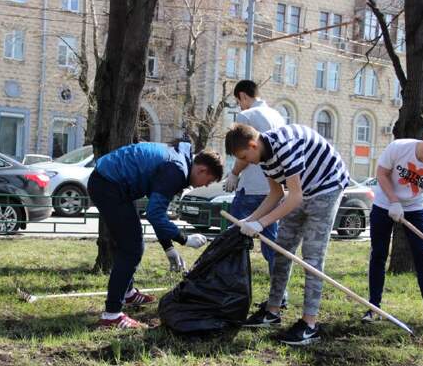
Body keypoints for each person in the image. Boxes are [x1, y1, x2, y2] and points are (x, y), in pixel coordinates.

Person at [225, 123, 349, 345]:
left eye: (244, 156)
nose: (246, 163)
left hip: (327, 188)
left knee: (312, 256)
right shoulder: (264, 156)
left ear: (253, 145)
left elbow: (295, 197)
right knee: (281, 250)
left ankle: (309, 324)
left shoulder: (284, 146)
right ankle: (272, 311)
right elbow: (275, 195)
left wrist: (261, 224)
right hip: (302, 191)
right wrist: (250, 220)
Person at [87, 140, 224, 329]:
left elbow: (156, 209)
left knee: (131, 243)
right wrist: (183, 239)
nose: (205, 186)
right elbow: (155, 214)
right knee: (132, 248)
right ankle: (112, 315)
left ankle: (127, 293)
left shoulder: (178, 161)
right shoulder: (176, 171)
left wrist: (168, 248)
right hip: (109, 185)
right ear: (202, 170)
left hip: (112, 182)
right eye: (208, 181)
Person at [362, 120, 423, 331]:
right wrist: (394, 201)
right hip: (384, 204)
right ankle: (374, 308)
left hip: (414, 207)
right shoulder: (399, 148)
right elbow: (382, 173)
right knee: (378, 253)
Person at [223, 80, 287, 315]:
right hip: (273, 187)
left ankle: (225, 289)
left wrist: (234, 173)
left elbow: (242, 152)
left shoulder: (246, 116)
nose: (238, 106)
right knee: (271, 245)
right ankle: (279, 296)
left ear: (242, 96)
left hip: (252, 188)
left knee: (231, 237)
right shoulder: (278, 116)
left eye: (238, 101)